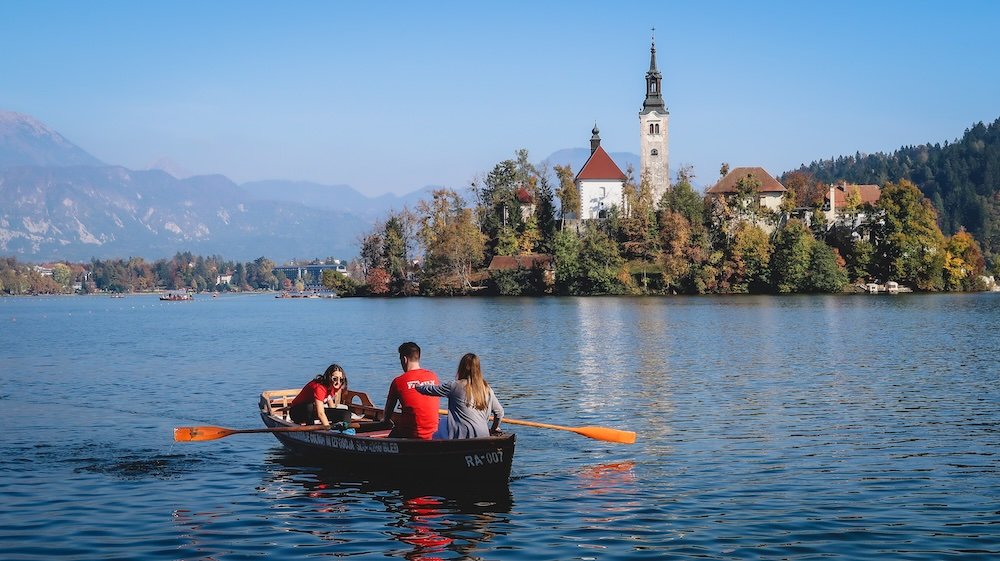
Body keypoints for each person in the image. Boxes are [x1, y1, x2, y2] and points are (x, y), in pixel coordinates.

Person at [416, 353, 503, 439]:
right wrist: (493, 429)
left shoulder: (454, 386)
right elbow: (499, 412)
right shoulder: (487, 389)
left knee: (438, 426)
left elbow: (430, 390)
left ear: (461, 368)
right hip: (483, 435)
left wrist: (417, 387)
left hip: (461, 437)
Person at [383, 342, 440, 439]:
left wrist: (385, 421)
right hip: (433, 434)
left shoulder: (398, 381)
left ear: (404, 359)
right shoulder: (433, 376)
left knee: (393, 433)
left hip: (412, 436)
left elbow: (388, 412)